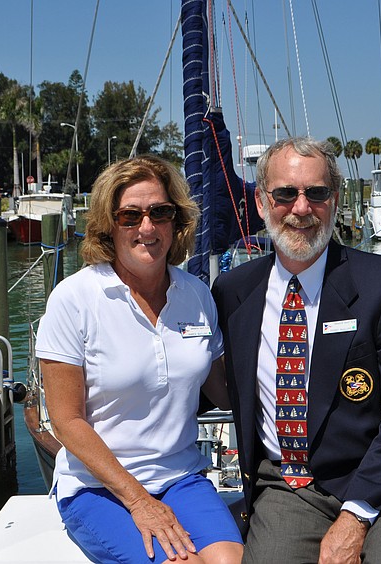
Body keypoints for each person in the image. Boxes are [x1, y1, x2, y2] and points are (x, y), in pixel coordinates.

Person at [211, 137, 381, 563]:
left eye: (317, 193)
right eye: (286, 193)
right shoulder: (233, 291)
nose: (302, 208)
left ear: (336, 199)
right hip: (291, 480)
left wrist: (355, 515)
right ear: (263, 201)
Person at [36, 155, 244, 564]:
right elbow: (65, 420)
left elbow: (225, 391)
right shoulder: (75, 299)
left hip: (182, 478)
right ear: (108, 226)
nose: (147, 228)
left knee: (229, 562)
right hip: (99, 488)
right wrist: (139, 501)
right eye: (130, 216)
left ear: (175, 222)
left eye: (160, 213)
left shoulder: (197, 294)